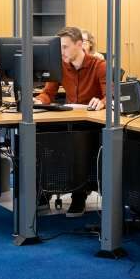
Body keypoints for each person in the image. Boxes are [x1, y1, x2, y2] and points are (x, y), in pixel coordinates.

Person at [36, 26, 107, 216]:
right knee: (41, 135)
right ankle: (45, 190)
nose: (61, 52)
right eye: (59, 47)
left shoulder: (99, 65)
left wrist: (101, 102)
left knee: (77, 142)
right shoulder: (60, 65)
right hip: (70, 118)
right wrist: (39, 101)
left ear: (79, 44)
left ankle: (79, 195)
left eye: (65, 47)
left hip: (90, 123)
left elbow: (111, 96)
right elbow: (48, 93)